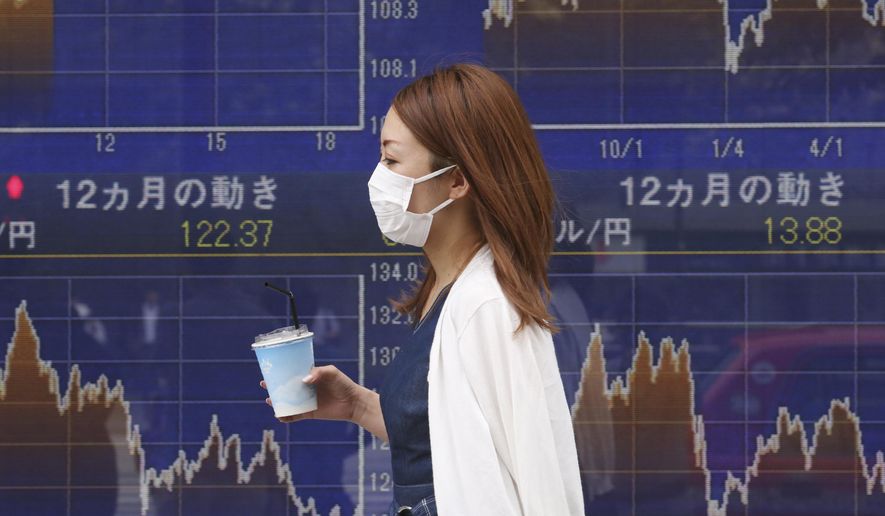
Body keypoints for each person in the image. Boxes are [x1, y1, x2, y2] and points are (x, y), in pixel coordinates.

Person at [261, 62, 584, 515]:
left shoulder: (485, 306)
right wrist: (359, 406)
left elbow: (534, 479)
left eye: (392, 160)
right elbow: (455, 445)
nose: (378, 178)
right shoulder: (453, 292)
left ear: (456, 180)